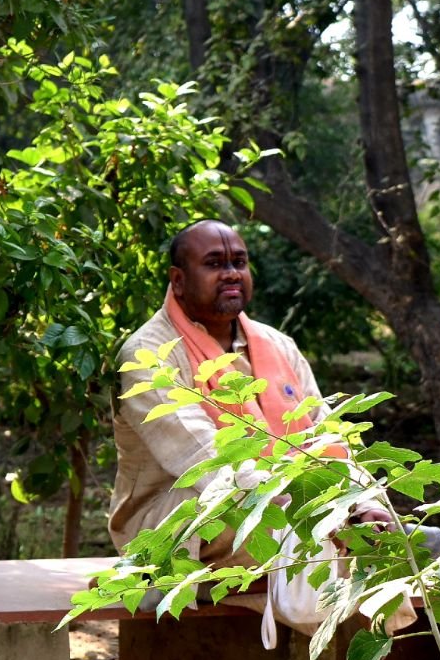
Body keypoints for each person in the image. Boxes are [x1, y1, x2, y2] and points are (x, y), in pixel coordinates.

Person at [107, 219, 329, 557]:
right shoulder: (147, 355)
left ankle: (348, 537)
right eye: (214, 264)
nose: (231, 274)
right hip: (173, 519)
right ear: (178, 281)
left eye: (238, 263)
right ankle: (338, 541)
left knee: (354, 518)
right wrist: (304, 508)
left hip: (284, 504)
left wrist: (359, 500)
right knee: (227, 505)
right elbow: (204, 460)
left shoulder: (278, 345)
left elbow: (327, 430)